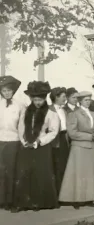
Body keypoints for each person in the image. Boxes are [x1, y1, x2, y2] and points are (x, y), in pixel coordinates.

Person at [13, 81, 60, 212]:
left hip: (42, 148)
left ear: (45, 99)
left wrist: (39, 142)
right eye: (35, 99)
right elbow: (21, 128)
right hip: (27, 146)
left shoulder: (51, 114)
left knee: (41, 174)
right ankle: (24, 203)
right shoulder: (26, 112)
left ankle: (40, 203)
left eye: (40, 99)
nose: (38, 102)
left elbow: (53, 131)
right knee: (25, 173)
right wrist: (24, 142)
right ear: (32, 99)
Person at [59, 91, 94, 209]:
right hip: (79, 147)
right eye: (85, 100)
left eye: (89, 99)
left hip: (92, 147)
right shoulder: (74, 114)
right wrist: (90, 136)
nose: (88, 102)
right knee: (78, 173)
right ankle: (77, 200)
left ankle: (89, 198)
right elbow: (72, 133)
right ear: (80, 101)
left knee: (90, 174)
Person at [0, 76, 25, 211]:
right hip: (0, 141)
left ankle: (12, 201)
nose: (6, 93)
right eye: (4, 91)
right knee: (0, 172)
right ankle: (1, 200)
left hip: (13, 142)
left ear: (13, 91)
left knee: (12, 172)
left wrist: (22, 141)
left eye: (9, 90)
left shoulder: (20, 105)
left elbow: (21, 126)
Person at [49, 87, 70, 195]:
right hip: (52, 141)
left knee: (62, 166)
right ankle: (54, 194)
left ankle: (62, 194)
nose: (65, 99)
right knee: (54, 167)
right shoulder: (49, 109)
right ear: (56, 97)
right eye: (63, 97)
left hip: (63, 139)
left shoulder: (64, 110)